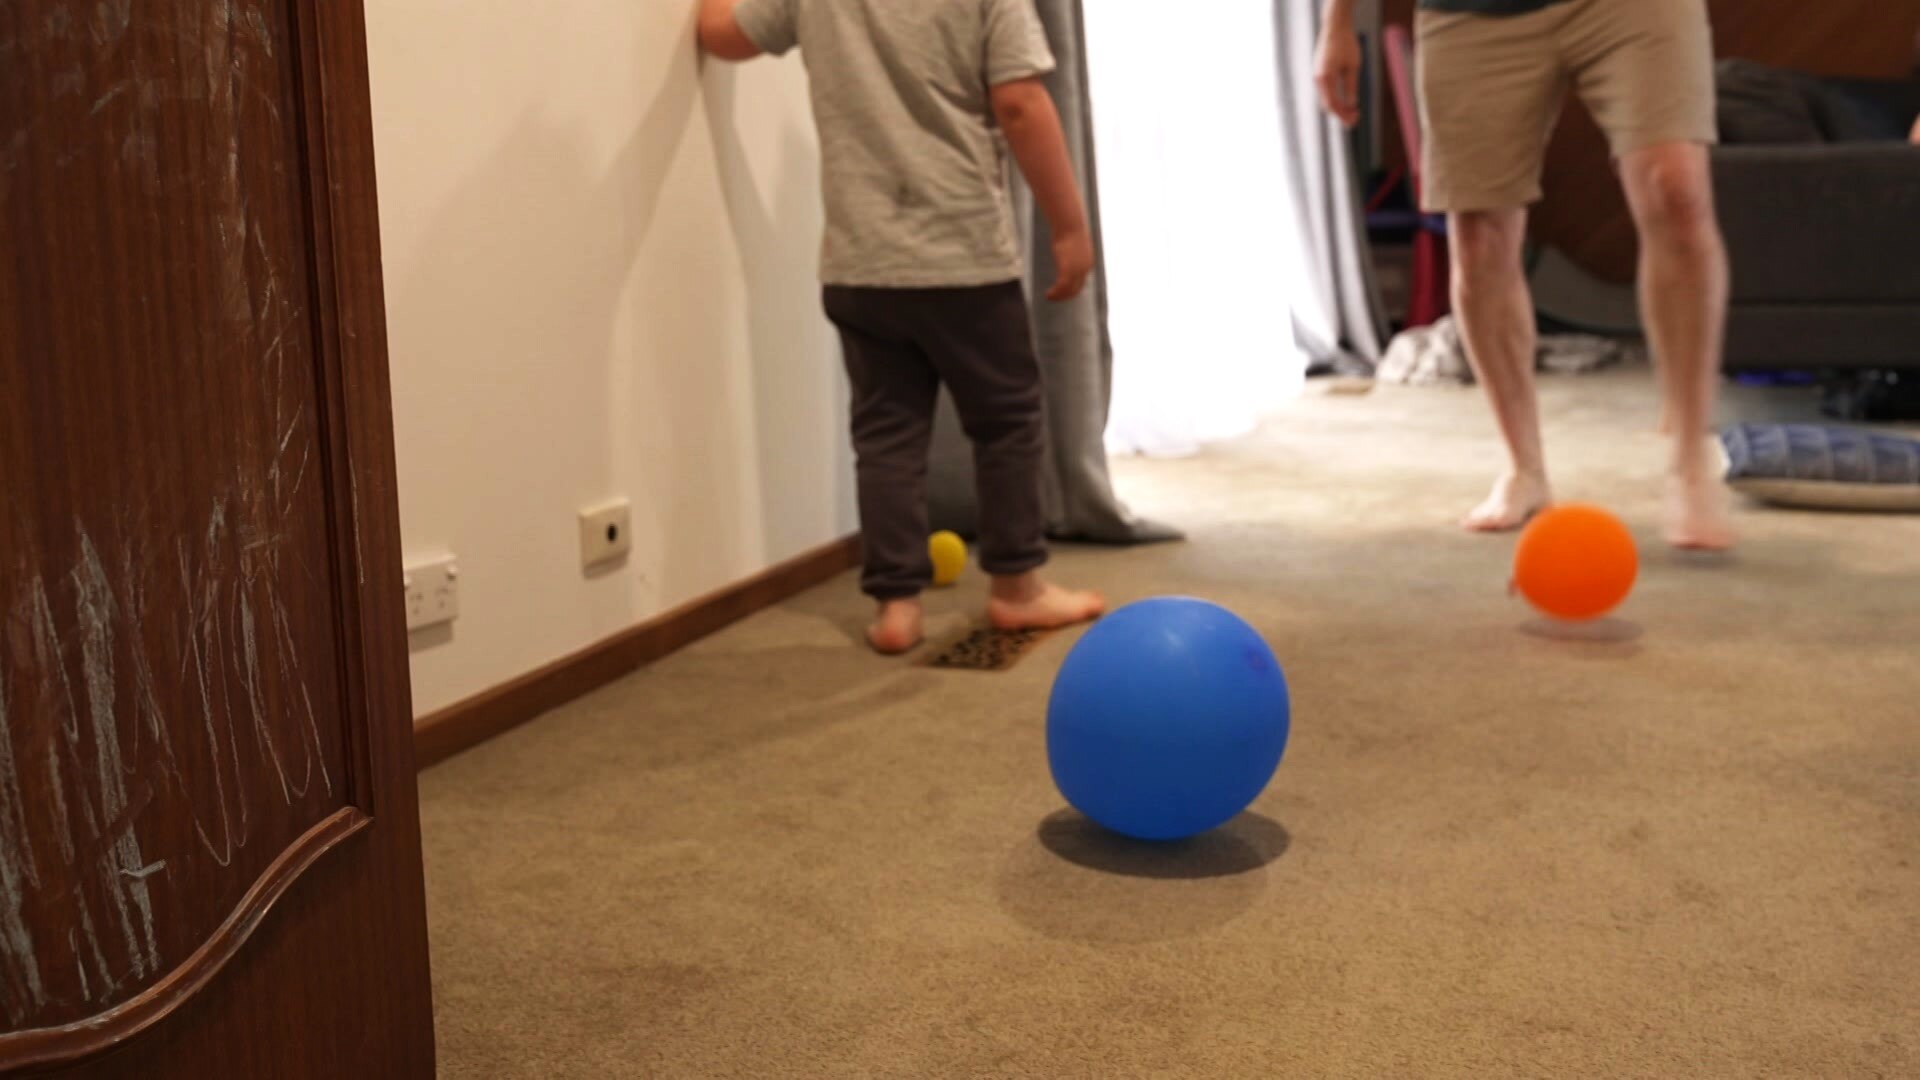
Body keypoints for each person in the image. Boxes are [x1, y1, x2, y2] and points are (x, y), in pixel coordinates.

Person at [697, 0, 1106, 653]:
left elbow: (721, 35)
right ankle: (1017, 588)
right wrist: (1069, 226)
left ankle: (896, 605)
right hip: (963, 256)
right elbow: (1021, 103)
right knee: (1007, 422)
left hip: (860, 264)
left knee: (887, 434)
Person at [1316, 0, 1737, 549]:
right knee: (1479, 233)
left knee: (1675, 190)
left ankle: (1689, 459)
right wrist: (1336, 22)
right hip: (1471, 13)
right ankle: (1525, 468)